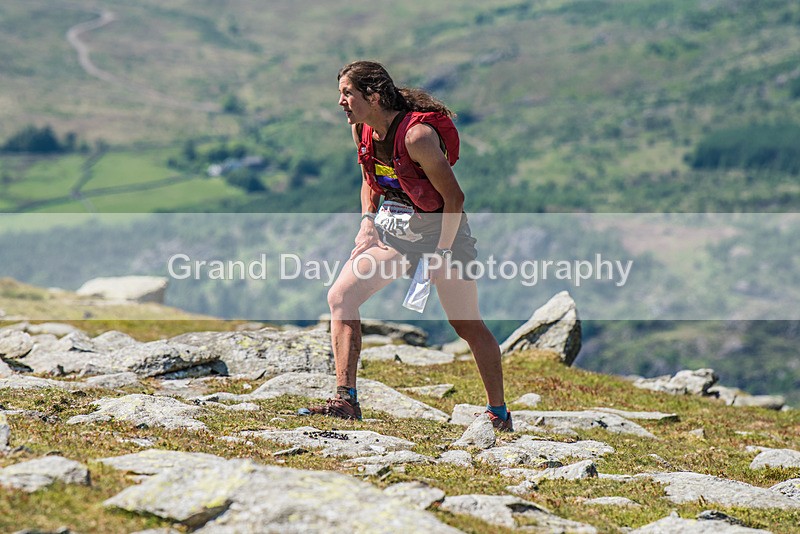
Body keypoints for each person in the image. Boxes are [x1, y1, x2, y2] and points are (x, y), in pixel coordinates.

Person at [301, 60, 512, 431]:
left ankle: (498, 414)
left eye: (347, 93)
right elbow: (370, 178)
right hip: (396, 235)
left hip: (443, 236)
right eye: (340, 94)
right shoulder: (362, 130)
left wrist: (441, 254)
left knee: (467, 325)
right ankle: (346, 399)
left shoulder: (418, 138)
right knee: (341, 296)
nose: (340, 102)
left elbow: (455, 199)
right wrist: (367, 222)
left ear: (374, 96)